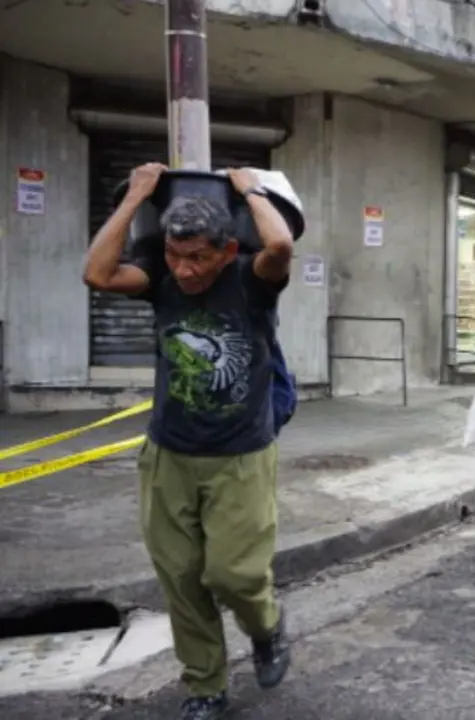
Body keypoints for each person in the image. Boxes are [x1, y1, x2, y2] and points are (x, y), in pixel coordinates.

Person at [82, 163, 294, 720]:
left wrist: (250, 189)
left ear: (226, 250)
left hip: (241, 455)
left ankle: (267, 626)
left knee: (235, 573)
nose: (185, 268)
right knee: (180, 577)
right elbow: (98, 274)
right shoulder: (158, 272)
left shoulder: (252, 277)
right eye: (176, 254)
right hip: (169, 454)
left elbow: (279, 243)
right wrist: (135, 198)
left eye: (198, 256)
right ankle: (206, 685)